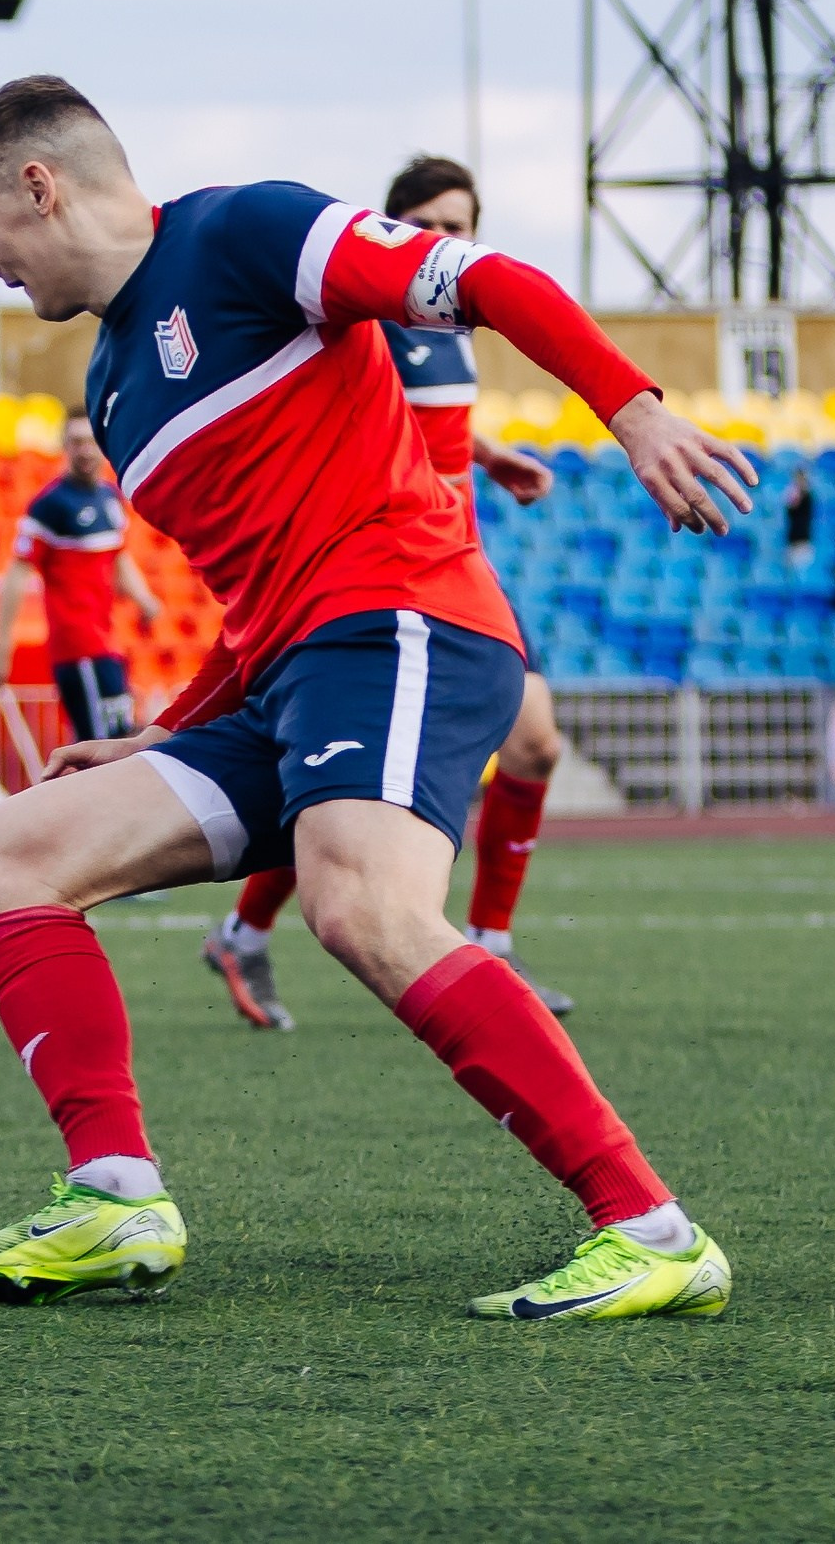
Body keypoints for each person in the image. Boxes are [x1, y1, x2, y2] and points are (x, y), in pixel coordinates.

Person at [0, 75, 752, 1320]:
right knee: (8, 854)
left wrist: (630, 414)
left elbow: (486, 281)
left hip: (403, 618)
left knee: (359, 904)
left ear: (39, 185)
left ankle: (651, 1228)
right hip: (280, 676)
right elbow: (247, 588)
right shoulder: (110, 388)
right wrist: (174, 727)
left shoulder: (245, 232)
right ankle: (112, 1197)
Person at [203, 156, 573, 1029]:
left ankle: (490, 936)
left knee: (534, 749)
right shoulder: (368, 315)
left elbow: (428, 420)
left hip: (461, 561)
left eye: (463, 224)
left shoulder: (456, 325)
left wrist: (486, 455)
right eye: (432, 224)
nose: (448, 240)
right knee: (354, 789)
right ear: (395, 226)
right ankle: (244, 927)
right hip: (391, 568)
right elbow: (356, 419)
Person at [0, 417, 163, 745]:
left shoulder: (111, 497)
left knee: (117, 741)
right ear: (64, 448)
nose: (85, 450)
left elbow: (118, 558)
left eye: (91, 441)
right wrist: (2, 647)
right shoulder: (50, 506)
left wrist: (145, 600)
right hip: (79, 647)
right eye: (76, 442)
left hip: (108, 643)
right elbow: (17, 574)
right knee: (103, 749)